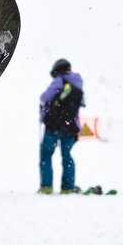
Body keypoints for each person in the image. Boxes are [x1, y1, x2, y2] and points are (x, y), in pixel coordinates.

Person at [39, 59, 85, 194]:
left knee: (46, 155)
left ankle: (46, 187)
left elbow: (44, 97)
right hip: (70, 127)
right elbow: (81, 103)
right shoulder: (78, 83)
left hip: (53, 125)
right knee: (67, 157)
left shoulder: (59, 81)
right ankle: (67, 188)